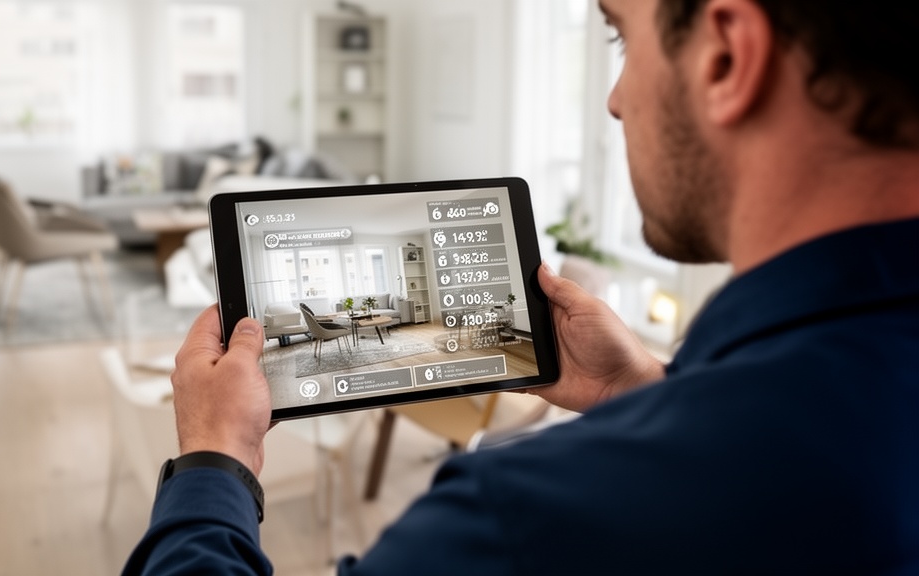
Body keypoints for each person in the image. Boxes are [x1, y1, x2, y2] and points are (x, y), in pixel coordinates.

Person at [123, 0, 919, 573]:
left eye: (619, 37)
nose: (613, 100)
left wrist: (214, 458)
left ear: (725, 56)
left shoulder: (526, 519)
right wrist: (647, 393)